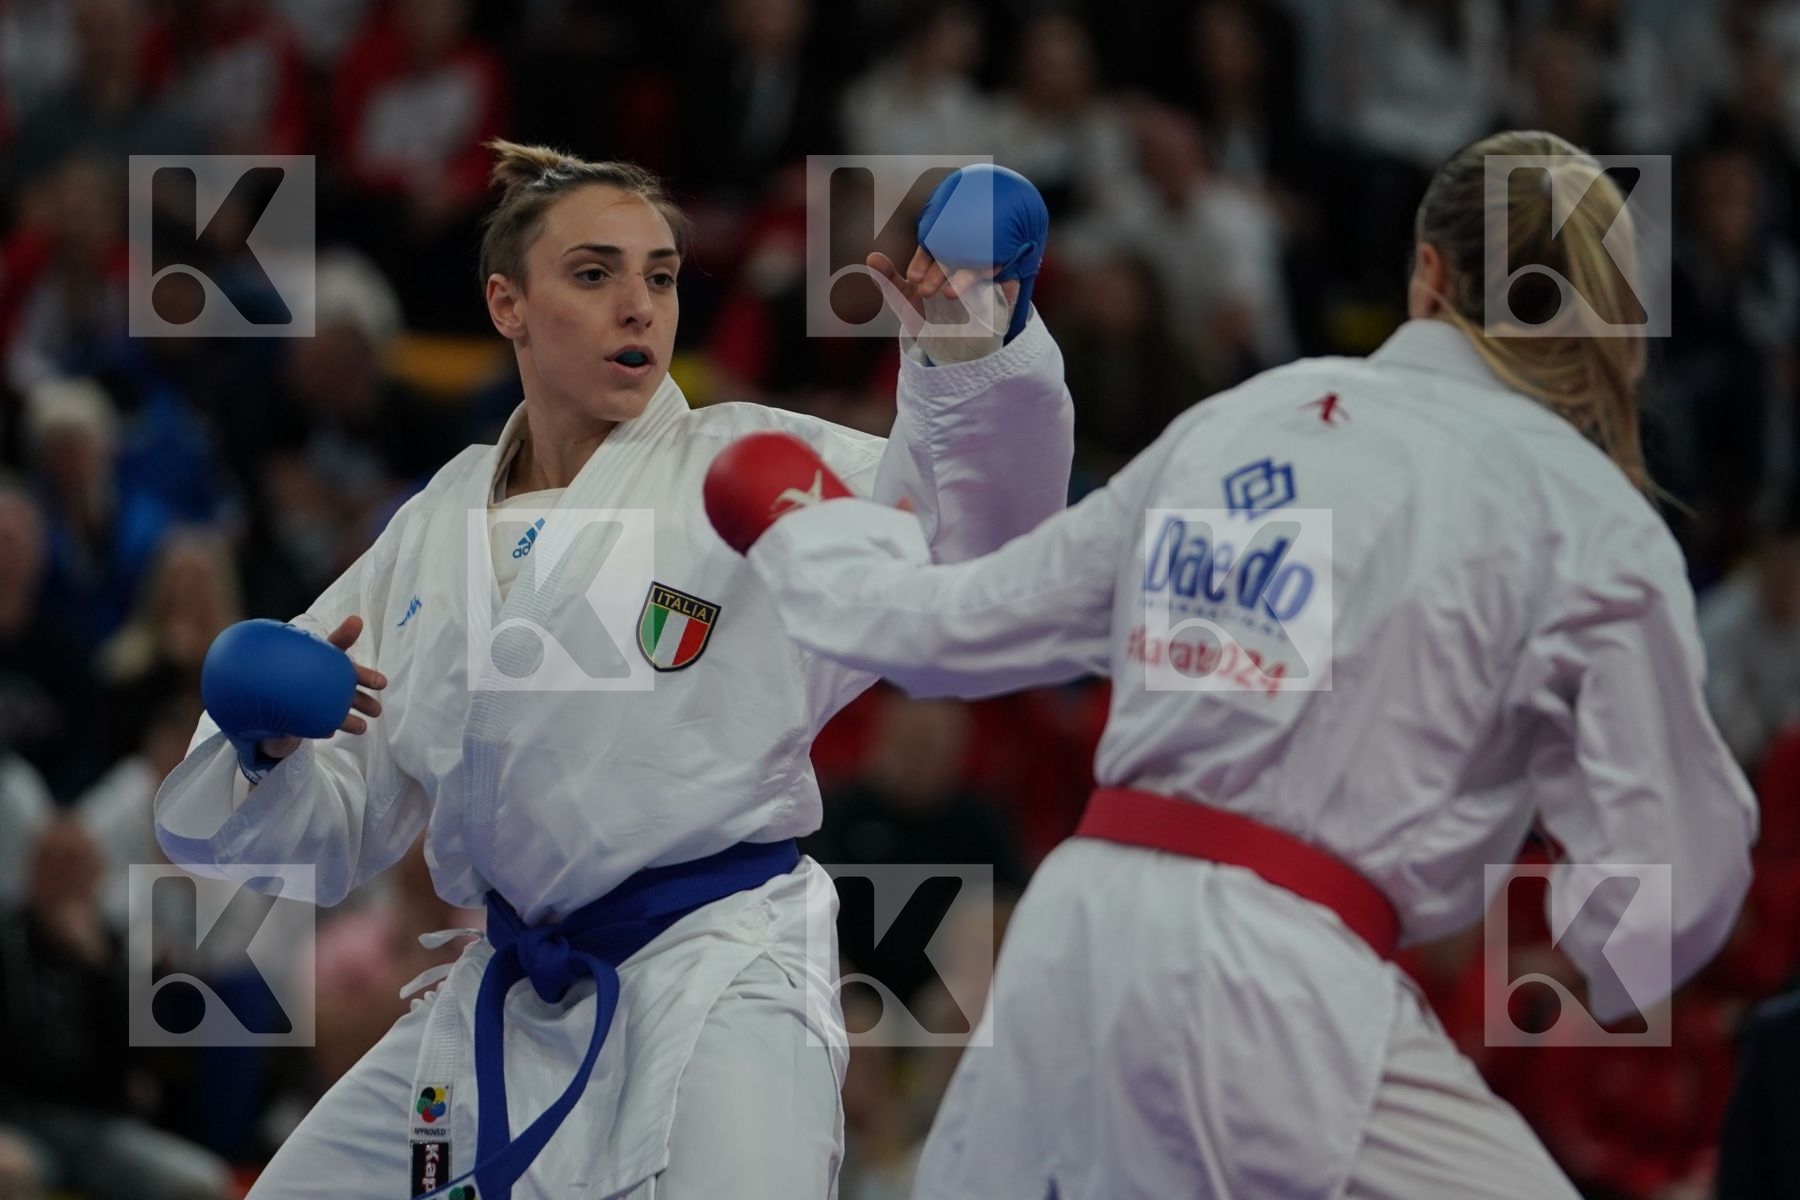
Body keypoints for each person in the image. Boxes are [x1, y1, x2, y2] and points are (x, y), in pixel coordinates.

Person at [702, 129, 1757, 1198]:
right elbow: (1674, 862)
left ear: (1427, 272)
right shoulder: (1585, 514)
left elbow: (948, 633)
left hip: (1078, 933)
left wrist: (795, 521)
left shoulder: (1244, 421)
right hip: (1283, 978)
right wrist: (1600, 956)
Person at [154, 142, 1068, 1199]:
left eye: (662, 276)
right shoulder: (434, 528)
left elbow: (975, 558)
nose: (639, 305)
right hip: (509, 998)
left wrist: (968, 349)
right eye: (594, 275)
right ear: (507, 304)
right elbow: (327, 831)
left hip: (719, 978)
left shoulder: (747, 464)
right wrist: (264, 748)